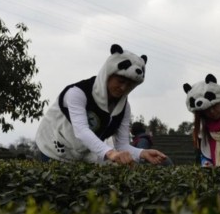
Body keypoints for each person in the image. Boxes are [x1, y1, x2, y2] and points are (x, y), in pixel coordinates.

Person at [35, 44, 167, 165]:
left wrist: (142, 153)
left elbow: (122, 145)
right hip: (53, 149)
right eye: (120, 81)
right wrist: (110, 153)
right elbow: (81, 130)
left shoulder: (124, 108)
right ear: (107, 74)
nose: (123, 88)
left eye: (130, 85)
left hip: (81, 156)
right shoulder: (77, 93)